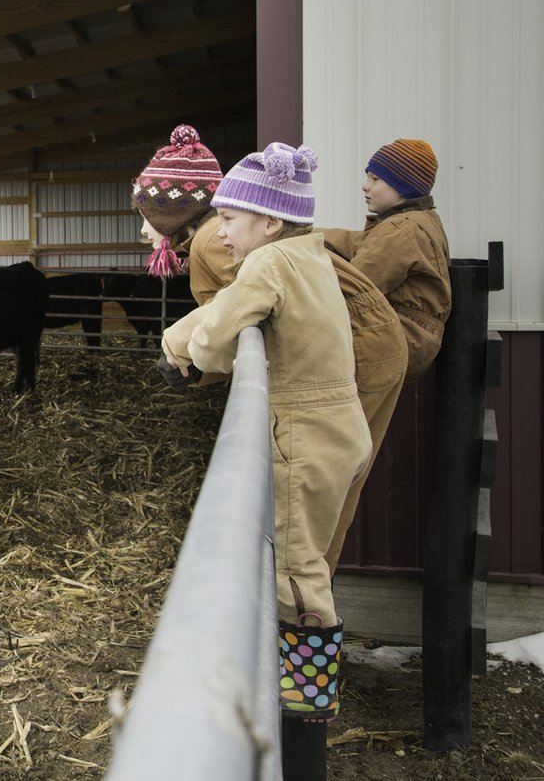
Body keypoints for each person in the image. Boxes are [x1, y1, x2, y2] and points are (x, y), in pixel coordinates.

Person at [158, 142, 372, 722]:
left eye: (230, 218)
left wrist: (189, 355)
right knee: (302, 556)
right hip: (337, 423)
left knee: (296, 566)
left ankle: (307, 701)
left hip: (306, 431)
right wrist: (177, 339)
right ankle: (299, 679)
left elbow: (221, 330)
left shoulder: (269, 263)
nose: (222, 232)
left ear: (270, 222)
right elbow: (233, 309)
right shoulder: (308, 254)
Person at [320, 138, 451, 381]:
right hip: (411, 335)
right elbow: (359, 243)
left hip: (398, 337)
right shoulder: (417, 220)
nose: (365, 186)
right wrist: (308, 235)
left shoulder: (402, 230)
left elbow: (356, 283)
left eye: (375, 179)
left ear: (402, 186)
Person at [129, 124, 226, 294]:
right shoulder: (204, 239)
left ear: (173, 215)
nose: (143, 230)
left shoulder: (211, 243)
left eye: (148, 217)